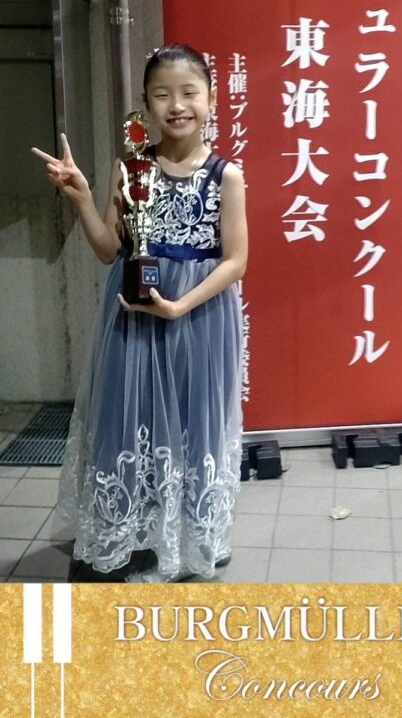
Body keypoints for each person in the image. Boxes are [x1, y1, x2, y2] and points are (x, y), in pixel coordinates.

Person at [32, 44, 248, 582]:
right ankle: (127, 537)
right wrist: (83, 197)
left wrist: (180, 306)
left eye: (189, 92)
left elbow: (237, 260)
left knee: (196, 427)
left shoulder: (227, 175)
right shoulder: (130, 168)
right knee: (129, 425)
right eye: (162, 94)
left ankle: (191, 538)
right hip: (132, 317)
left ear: (211, 99)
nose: (177, 105)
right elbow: (110, 250)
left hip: (200, 321)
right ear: (146, 105)